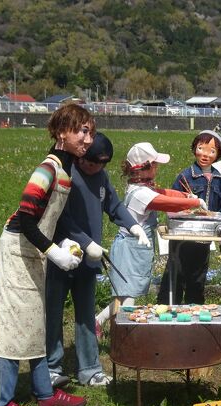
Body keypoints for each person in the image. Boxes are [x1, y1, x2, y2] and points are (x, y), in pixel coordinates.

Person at [0, 104, 93, 406]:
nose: (87, 138)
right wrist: (54, 251)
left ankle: (45, 393)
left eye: (90, 131)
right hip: (17, 251)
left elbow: (51, 217)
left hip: (34, 252)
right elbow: (28, 220)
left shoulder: (65, 168)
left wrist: (63, 242)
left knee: (35, 321)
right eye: (81, 130)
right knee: (12, 324)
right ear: (61, 132)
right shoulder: (47, 168)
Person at [45, 132, 151, 388]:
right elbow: (61, 218)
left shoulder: (101, 177)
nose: (95, 168)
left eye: (101, 164)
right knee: (53, 313)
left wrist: (133, 226)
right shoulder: (66, 175)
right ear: (81, 157)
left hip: (89, 261)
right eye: (92, 163)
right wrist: (86, 242)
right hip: (61, 254)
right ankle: (50, 367)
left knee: (85, 315)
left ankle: (90, 370)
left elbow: (114, 206)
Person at [94, 142, 207, 325]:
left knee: (125, 295)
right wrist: (194, 203)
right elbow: (165, 202)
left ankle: (100, 323)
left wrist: (187, 196)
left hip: (134, 248)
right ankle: (121, 332)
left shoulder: (143, 188)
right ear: (143, 169)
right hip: (129, 249)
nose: (157, 167)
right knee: (127, 299)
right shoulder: (141, 194)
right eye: (154, 164)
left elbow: (166, 193)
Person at [157, 130, 221, 305]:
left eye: (212, 151)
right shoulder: (185, 176)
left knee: (198, 277)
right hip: (182, 235)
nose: (205, 154)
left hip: (204, 238)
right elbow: (172, 203)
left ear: (218, 154)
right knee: (175, 273)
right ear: (194, 148)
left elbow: (220, 206)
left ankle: (194, 313)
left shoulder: (219, 179)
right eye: (201, 148)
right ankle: (167, 309)